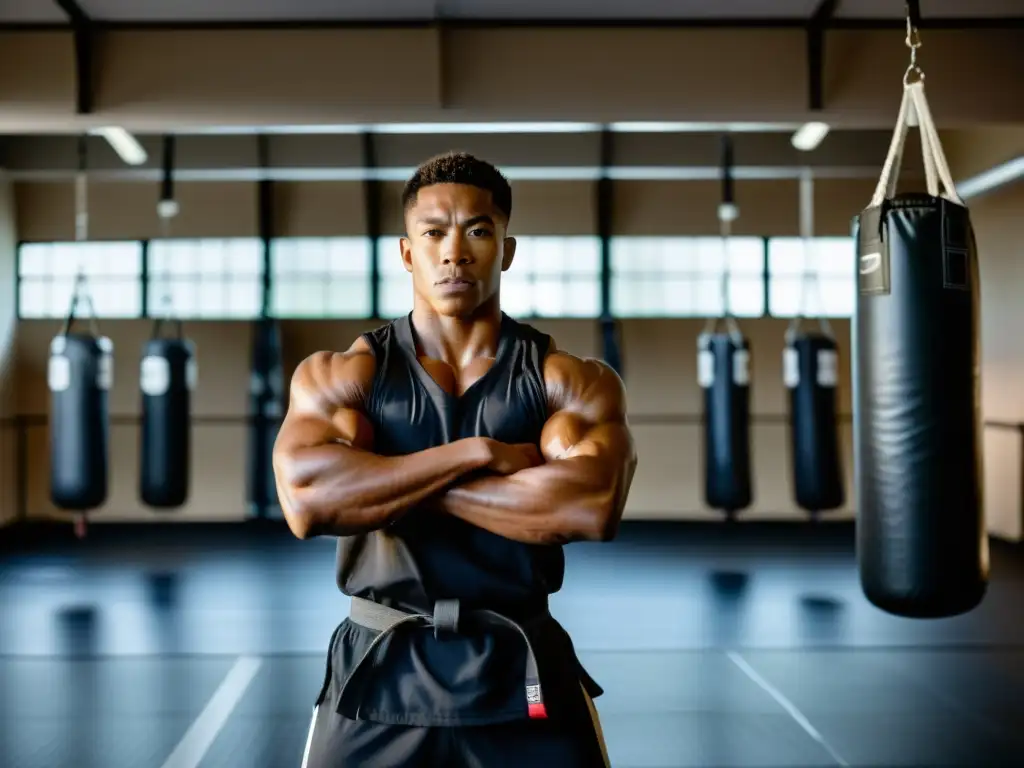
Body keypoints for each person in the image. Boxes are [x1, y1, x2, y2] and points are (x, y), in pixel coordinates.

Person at [273, 151, 638, 767]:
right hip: (377, 673)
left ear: (506, 249)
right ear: (407, 252)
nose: (455, 252)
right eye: (433, 233)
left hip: (522, 674)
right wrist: (480, 454)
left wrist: (388, 482)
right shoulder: (347, 376)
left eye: (477, 231)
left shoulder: (565, 381)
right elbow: (309, 503)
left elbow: (592, 505)